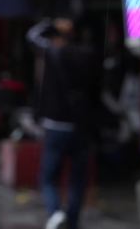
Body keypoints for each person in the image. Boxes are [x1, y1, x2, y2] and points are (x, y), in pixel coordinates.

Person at [27, 18, 100, 229]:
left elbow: (32, 36)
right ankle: (73, 221)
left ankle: (55, 213)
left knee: (49, 176)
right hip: (80, 126)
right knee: (78, 178)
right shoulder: (88, 55)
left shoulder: (52, 52)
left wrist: (49, 23)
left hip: (56, 125)